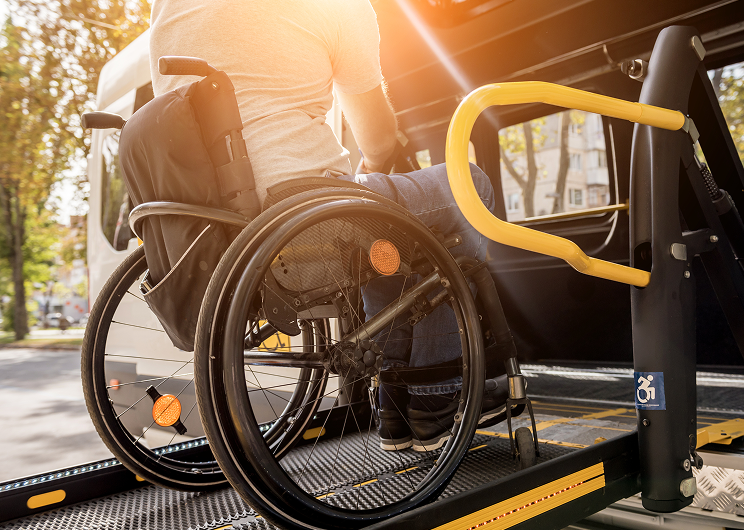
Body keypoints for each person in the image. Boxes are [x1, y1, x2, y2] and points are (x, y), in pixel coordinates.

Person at [149, 0, 505, 452]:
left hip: (223, 221)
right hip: (303, 204)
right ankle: (439, 391)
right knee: (465, 186)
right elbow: (376, 136)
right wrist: (373, 162)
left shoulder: (168, 7)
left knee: (386, 232)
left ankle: (398, 402)